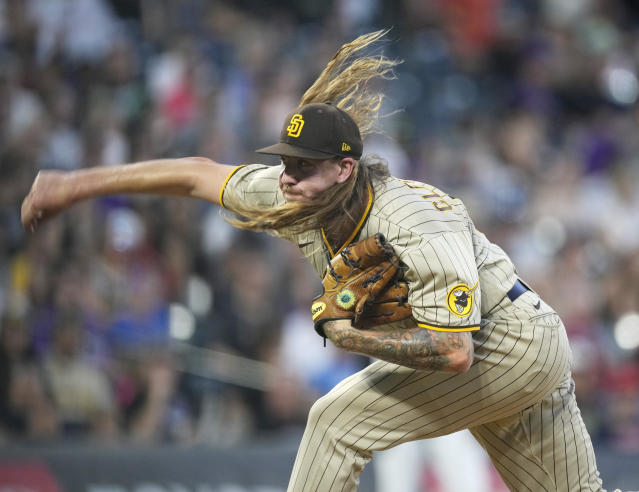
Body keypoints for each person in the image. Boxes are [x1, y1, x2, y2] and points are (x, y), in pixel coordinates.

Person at [21, 30, 613, 491]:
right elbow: (197, 174)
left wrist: (353, 338)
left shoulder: (410, 223)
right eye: (286, 161)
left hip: (505, 341)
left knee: (335, 422)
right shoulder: (299, 194)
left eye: (302, 165)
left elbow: (454, 352)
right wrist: (77, 183)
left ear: (344, 169)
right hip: (508, 343)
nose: (288, 175)